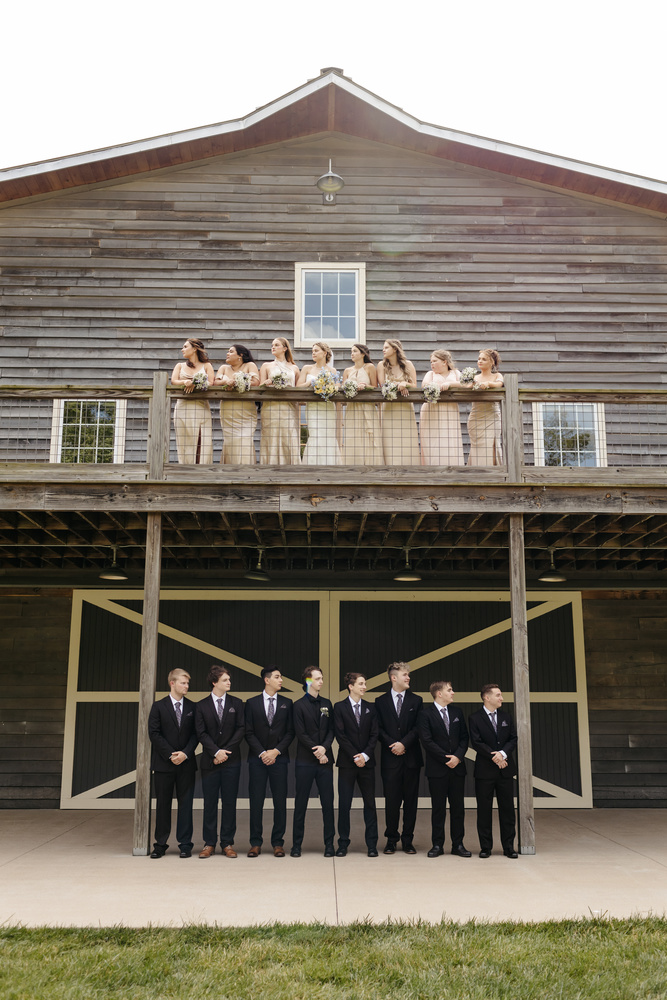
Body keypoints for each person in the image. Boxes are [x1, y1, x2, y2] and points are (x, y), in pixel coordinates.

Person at [195, 665, 245, 859]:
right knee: (209, 803)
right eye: (225, 680)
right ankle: (209, 843)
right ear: (214, 682)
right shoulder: (201, 706)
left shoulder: (237, 703)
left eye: (229, 679)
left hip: (231, 761)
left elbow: (241, 729)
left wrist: (225, 752)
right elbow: (201, 732)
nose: (229, 682)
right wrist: (216, 751)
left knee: (230, 803)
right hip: (210, 761)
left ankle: (227, 843)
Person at [147, 668, 197, 858]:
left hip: (186, 764)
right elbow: (154, 733)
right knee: (163, 805)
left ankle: (185, 844)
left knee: (186, 805)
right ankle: (160, 844)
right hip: (163, 765)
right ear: (172, 683)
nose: (187, 686)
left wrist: (184, 753)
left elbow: (196, 734)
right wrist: (170, 754)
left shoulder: (193, 707)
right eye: (183, 683)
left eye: (187, 683)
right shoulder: (158, 706)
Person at [244, 666, 294, 857]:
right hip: (257, 760)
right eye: (277, 677)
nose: (281, 680)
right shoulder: (251, 703)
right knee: (256, 802)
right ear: (267, 680)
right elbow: (248, 732)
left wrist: (276, 751)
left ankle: (278, 843)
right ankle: (255, 843)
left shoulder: (287, 703)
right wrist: (263, 753)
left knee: (279, 802)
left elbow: (291, 732)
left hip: (279, 760)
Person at [418, 680, 471, 859]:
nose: (453, 692)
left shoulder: (457, 712)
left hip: (457, 768)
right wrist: (446, 758)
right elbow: (427, 741)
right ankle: (437, 845)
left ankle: (458, 844)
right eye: (449, 690)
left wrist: (458, 757)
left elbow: (464, 738)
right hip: (437, 770)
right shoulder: (425, 714)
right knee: (438, 809)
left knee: (458, 809)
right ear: (439, 693)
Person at [374, 661, 423, 854]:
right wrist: (392, 744)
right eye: (405, 675)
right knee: (391, 801)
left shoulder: (416, 700)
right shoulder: (380, 701)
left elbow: (419, 727)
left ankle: (408, 840)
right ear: (393, 678)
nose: (408, 678)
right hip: (390, 759)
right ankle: (391, 839)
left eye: (408, 675)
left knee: (411, 802)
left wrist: (404, 744)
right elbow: (377, 728)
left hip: (411, 759)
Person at [290, 666, 336, 857]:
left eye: (322, 678)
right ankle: (296, 845)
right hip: (305, 761)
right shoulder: (298, 705)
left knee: (328, 803)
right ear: (308, 681)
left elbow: (332, 730)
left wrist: (324, 747)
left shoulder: (327, 703)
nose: (321, 682)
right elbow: (300, 733)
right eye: (318, 679)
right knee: (301, 804)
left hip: (325, 760)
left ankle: (329, 844)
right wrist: (317, 751)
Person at [469, 683, 518, 859]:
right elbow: (476, 742)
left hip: (505, 770)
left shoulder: (506, 716)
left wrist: (503, 754)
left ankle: (508, 847)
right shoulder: (475, 718)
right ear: (486, 697)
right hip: (484, 772)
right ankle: (485, 847)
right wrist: (495, 757)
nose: (501, 698)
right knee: (484, 810)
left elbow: (513, 738)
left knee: (507, 810)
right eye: (498, 695)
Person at [333, 672, 379, 857]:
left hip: (367, 764)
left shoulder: (371, 708)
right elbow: (340, 735)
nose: (364, 687)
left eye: (365, 683)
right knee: (345, 804)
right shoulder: (339, 707)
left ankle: (372, 845)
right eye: (361, 683)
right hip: (347, 763)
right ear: (350, 686)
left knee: (370, 804)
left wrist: (365, 756)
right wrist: (355, 755)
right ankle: (343, 843)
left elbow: (374, 734)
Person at [297, 341, 342, 465]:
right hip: (312, 407)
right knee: (315, 434)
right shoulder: (307, 368)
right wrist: (309, 384)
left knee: (328, 435)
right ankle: (312, 465)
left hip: (327, 407)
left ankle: (330, 465)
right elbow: (298, 386)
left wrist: (329, 387)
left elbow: (338, 386)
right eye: (312, 351)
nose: (313, 353)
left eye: (316, 351)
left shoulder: (332, 370)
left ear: (325, 353)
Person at [376, 339, 420, 465]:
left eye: (386, 347)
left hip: (405, 407)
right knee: (389, 438)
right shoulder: (381, 365)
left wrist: (404, 383)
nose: (383, 350)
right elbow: (382, 385)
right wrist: (396, 384)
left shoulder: (408, 364)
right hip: (388, 407)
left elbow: (414, 385)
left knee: (406, 438)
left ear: (395, 349)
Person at [214, 344, 260, 464]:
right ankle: (229, 470)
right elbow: (215, 382)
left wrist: (238, 381)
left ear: (240, 355)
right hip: (228, 409)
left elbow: (256, 382)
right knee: (230, 440)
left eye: (230, 351)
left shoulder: (249, 365)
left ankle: (246, 470)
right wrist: (225, 381)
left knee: (245, 439)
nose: (227, 354)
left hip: (246, 410)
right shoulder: (224, 368)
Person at [171, 338, 214, 464]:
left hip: (200, 406)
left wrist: (196, 383)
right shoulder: (180, 366)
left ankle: (202, 469)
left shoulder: (207, 365)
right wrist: (185, 381)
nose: (182, 349)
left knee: (202, 439)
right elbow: (174, 381)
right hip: (183, 406)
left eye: (185, 347)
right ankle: (185, 468)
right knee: (185, 440)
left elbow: (211, 382)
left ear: (194, 348)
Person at [258, 338, 301, 465]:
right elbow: (260, 386)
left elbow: (297, 388)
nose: (273, 347)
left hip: (288, 407)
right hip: (271, 407)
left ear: (285, 348)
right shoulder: (266, 366)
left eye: (276, 345)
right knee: (271, 436)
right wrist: (268, 383)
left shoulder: (294, 368)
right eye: (272, 345)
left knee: (288, 435)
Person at [341, 343, 383, 465]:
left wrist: (365, 386)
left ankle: (371, 465)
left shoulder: (369, 367)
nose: (352, 354)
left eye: (354, 351)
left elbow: (375, 387)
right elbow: (343, 389)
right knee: (352, 436)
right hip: (352, 407)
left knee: (368, 435)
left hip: (367, 406)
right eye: (351, 351)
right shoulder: (347, 371)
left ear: (363, 354)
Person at [420, 350, 464, 466]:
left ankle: (451, 469)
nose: (432, 364)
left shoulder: (455, 373)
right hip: (432, 410)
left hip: (450, 410)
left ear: (444, 362)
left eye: (435, 361)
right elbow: (425, 385)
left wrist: (450, 384)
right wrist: (438, 386)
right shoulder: (430, 374)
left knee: (449, 440)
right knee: (433, 441)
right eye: (431, 362)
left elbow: (465, 384)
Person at [467, 349, 504, 466]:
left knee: (491, 444)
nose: (480, 361)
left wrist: (488, 384)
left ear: (492, 362)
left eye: (484, 359)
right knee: (477, 447)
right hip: (476, 416)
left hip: (491, 415)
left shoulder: (497, 375)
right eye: (479, 359)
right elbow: (464, 386)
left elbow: (499, 384)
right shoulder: (474, 377)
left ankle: (494, 474)